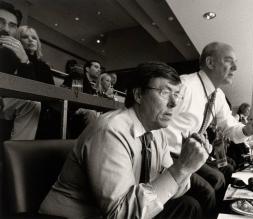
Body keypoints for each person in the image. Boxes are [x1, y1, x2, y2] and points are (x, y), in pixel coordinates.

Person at [39, 62, 210, 219]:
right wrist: (181, 168)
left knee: (189, 206)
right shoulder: (111, 130)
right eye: (165, 93)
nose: (174, 103)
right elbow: (119, 214)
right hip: (74, 216)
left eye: (177, 95)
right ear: (138, 95)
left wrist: (188, 166)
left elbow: (168, 191)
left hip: (125, 209)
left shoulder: (158, 133)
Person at [163, 41, 253, 213]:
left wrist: (248, 130)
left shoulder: (218, 96)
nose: (235, 68)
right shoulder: (184, 85)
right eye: (229, 61)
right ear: (210, 63)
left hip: (190, 155)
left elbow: (230, 128)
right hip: (167, 156)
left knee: (217, 179)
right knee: (207, 191)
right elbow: (156, 123)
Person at [0, 2, 43, 140]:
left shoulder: (9, 53)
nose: (6, 29)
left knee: (32, 103)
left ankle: (16, 156)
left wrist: (25, 60)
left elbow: (30, 91)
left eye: (12, 25)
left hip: (3, 101)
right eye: (0, 22)